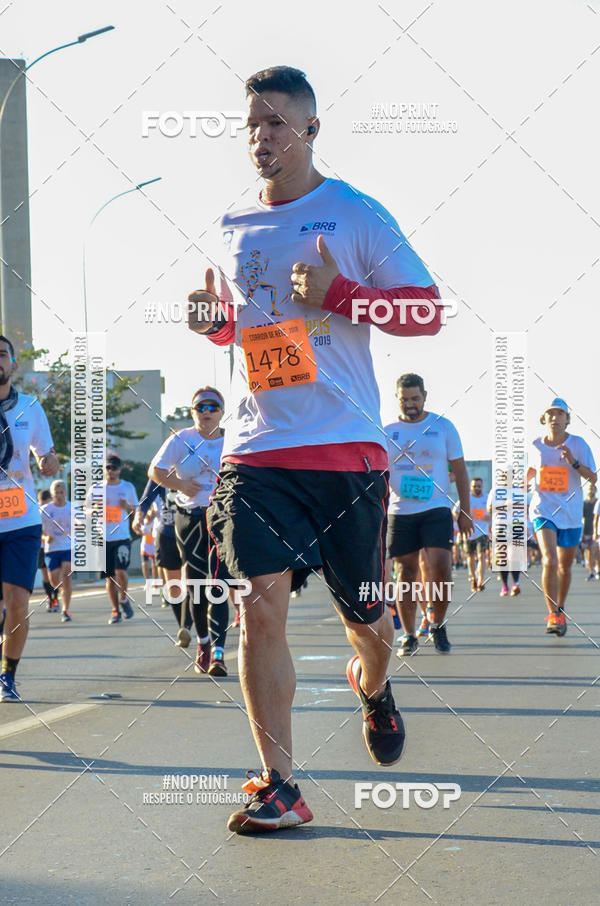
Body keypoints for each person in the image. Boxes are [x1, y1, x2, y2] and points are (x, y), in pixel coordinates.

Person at [187, 66, 445, 832]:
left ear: (310, 130)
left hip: (345, 449)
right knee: (256, 607)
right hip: (257, 447)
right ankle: (280, 784)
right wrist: (215, 326)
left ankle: (374, 686)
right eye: (252, 126)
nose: (261, 138)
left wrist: (343, 294)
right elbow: (248, 330)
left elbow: (427, 313)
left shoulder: (356, 214)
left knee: (368, 621)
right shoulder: (235, 225)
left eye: (276, 124)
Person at [385, 374, 472, 658]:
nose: (410, 404)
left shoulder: (443, 427)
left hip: (436, 507)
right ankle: (409, 635)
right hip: (401, 511)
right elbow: (378, 475)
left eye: (415, 398)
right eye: (404, 399)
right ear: (397, 398)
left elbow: (460, 471)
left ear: (425, 396)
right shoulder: (386, 431)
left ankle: (438, 624)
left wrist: (465, 512)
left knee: (441, 566)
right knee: (405, 573)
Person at [148, 388, 228, 675]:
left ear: (221, 411)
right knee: (196, 582)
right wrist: (180, 485)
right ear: (193, 412)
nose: (207, 412)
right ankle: (204, 642)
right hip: (189, 516)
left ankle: (219, 652)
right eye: (200, 407)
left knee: (218, 582)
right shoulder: (181, 439)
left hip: (221, 517)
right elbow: (155, 471)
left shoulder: (232, 440)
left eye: (213, 407)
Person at [0, 336, 59, 702]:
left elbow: (46, 454)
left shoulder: (30, 408)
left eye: (2, 355)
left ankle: (8, 675)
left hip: (21, 521)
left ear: (13, 365)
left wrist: (49, 462)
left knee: (18, 600)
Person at [528, 398, 597, 636]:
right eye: (551, 414)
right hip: (543, 511)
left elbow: (593, 478)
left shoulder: (578, 444)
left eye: (560, 414)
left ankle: (560, 607)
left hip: (570, 514)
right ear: (544, 419)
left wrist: (573, 462)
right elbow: (529, 471)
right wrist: (520, 483)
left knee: (564, 568)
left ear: (567, 419)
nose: (555, 418)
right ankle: (553, 615)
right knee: (549, 560)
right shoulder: (535, 445)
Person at [134, 479, 190, 644]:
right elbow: (146, 498)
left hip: (191, 531)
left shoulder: (194, 465)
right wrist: (139, 516)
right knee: (173, 587)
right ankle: (182, 626)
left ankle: (188, 624)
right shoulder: (160, 471)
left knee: (191, 582)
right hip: (166, 533)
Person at [87, 455, 138, 625]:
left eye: (114, 468)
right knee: (110, 577)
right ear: (104, 469)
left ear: (119, 469)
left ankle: (124, 598)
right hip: (104, 538)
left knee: (121, 572)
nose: (111, 471)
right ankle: (115, 609)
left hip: (122, 536)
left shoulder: (127, 487)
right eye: (108, 468)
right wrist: (93, 510)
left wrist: (127, 507)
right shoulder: (96, 488)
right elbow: (85, 510)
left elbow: (136, 510)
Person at [41, 480, 72, 621]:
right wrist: (45, 537)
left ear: (66, 492)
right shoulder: (45, 510)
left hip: (68, 547)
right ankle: (61, 591)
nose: (59, 496)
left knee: (66, 574)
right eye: (56, 493)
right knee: (54, 581)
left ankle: (65, 610)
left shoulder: (72, 508)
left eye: (61, 492)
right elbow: (37, 528)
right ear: (52, 494)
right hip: (52, 549)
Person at [462, 477, 489, 592]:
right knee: (471, 557)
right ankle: (473, 577)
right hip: (469, 532)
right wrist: (466, 516)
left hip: (482, 532)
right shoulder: (466, 499)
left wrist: (489, 517)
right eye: (474, 486)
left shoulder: (487, 498)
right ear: (470, 487)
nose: (477, 488)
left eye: (479, 486)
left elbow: (496, 512)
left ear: (482, 486)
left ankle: (480, 581)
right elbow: (455, 513)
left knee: (481, 555)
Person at [37, 488, 58, 611]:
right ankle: (50, 598)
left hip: (55, 547)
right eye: (42, 502)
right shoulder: (37, 512)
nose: (44, 505)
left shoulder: (54, 510)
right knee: (46, 575)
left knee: (55, 575)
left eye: (47, 502)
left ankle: (55, 598)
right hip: (42, 547)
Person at [582, 485, 599, 580]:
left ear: (595, 490)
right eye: (589, 489)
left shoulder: (598, 502)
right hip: (587, 530)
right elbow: (582, 517)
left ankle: (598, 570)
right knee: (588, 552)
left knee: (596, 552)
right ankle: (591, 572)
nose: (590, 490)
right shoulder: (585, 503)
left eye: (592, 489)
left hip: (597, 531)